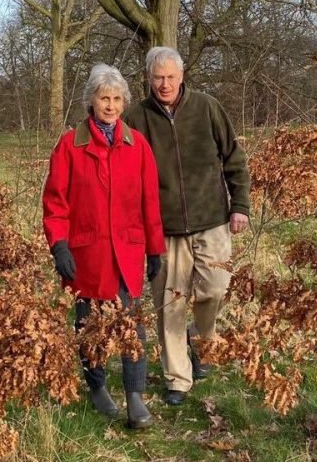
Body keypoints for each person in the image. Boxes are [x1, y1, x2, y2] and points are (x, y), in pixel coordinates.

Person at [124, 46, 250, 406]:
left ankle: (201, 337)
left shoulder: (207, 107)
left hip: (211, 219)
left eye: (170, 77)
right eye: (157, 77)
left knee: (216, 289)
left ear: (182, 77)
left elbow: (234, 159)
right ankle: (178, 378)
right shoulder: (136, 118)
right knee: (170, 305)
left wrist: (239, 205)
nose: (164, 84)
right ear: (148, 78)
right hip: (163, 229)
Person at [42, 63, 166, 429]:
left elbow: (149, 203)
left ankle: (135, 397)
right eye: (103, 98)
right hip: (86, 253)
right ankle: (96, 386)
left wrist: (155, 250)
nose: (110, 106)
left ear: (124, 102)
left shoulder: (136, 144)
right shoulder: (70, 145)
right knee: (89, 324)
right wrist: (59, 246)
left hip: (126, 251)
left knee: (132, 325)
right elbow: (55, 202)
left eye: (116, 99)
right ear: (91, 101)